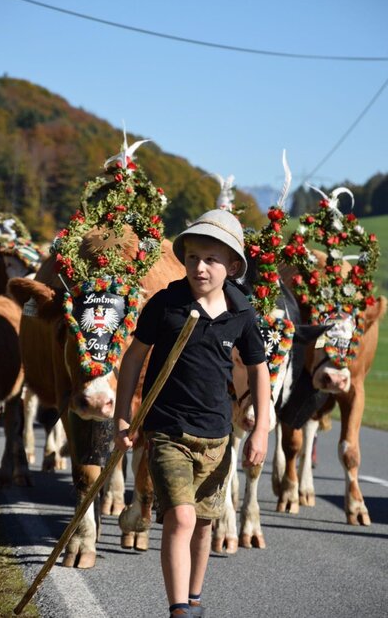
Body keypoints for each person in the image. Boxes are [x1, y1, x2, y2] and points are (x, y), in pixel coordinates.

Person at [114, 209, 270, 618]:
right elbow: (133, 359)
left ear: (232, 266)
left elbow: (259, 370)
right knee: (181, 518)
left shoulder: (242, 314)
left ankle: (194, 600)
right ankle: (179, 609)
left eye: (211, 259)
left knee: (203, 524)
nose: (200, 267)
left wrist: (261, 431)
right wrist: (122, 418)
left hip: (217, 436)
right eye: (193, 257)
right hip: (168, 431)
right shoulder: (166, 304)